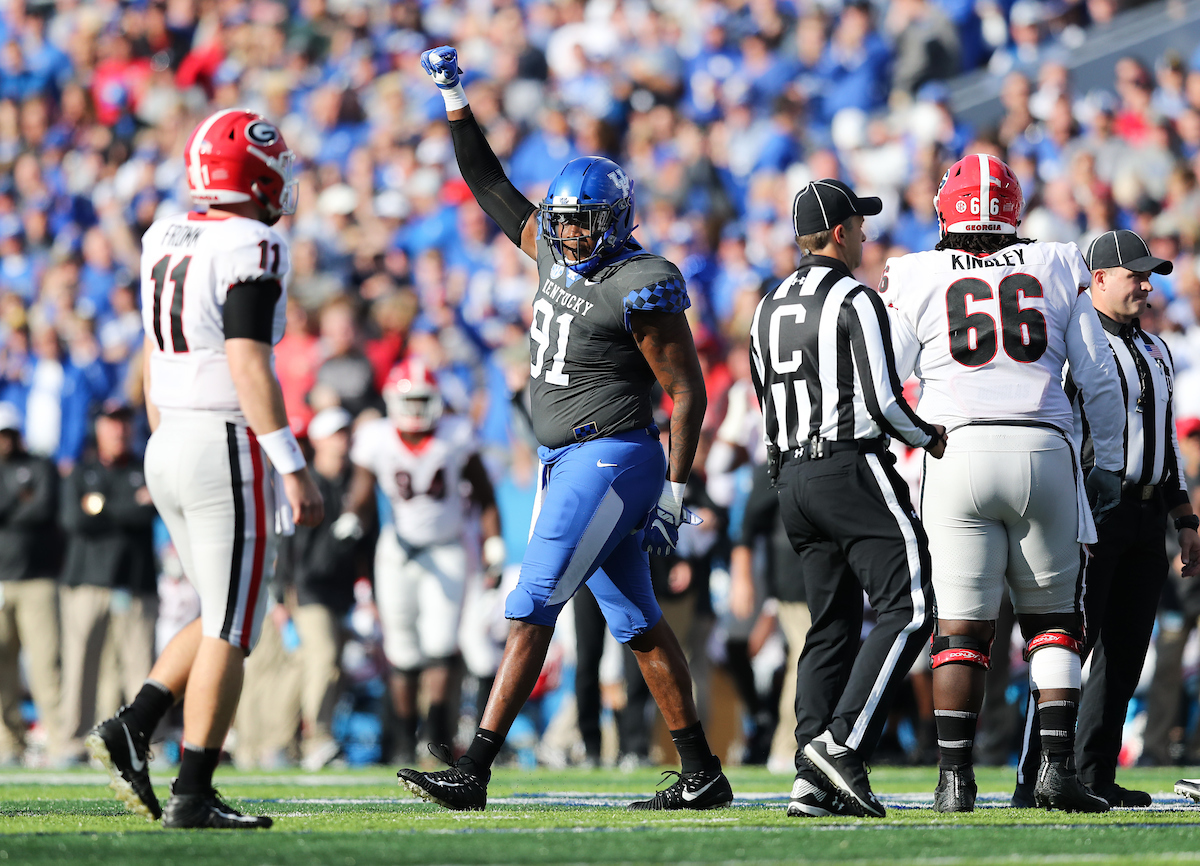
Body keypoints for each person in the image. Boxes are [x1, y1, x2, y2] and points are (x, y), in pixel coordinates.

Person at [401, 46, 731, 812]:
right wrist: (454, 97)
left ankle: (474, 769)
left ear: (615, 223)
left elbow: (688, 391)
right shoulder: (551, 253)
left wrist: (677, 492)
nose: (570, 237)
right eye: (563, 224)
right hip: (569, 458)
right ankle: (700, 772)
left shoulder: (640, 283)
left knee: (533, 602)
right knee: (639, 625)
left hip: (610, 457)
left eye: (583, 226)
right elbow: (486, 182)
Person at [85, 109, 324, 828]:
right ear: (254, 174)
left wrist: (166, 440)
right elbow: (249, 363)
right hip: (224, 438)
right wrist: (292, 463)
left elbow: (156, 355)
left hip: (171, 436)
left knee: (222, 606)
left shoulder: (164, 232)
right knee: (233, 626)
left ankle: (135, 722)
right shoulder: (253, 243)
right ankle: (192, 791)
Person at [882, 154, 1125, 812]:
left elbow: (886, 377)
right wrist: (1108, 461)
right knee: (1054, 627)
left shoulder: (915, 271)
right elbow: (1098, 376)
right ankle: (1055, 770)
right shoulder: (1056, 260)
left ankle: (954, 779)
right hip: (1042, 446)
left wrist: (910, 439)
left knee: (960, 629)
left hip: (954, 447)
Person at [749, 178, 944, 819]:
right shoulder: (854, 297)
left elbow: (761, 397)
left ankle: (811, 774)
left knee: (829, 625)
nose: (864, 234)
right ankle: (844, 742)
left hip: (789, 479)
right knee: (912, 606)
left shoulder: (768, 302)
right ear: (839, 231)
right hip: (846, 466)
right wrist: (930, 437)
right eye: (858, 225)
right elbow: (885, 400)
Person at [1011, 230, 1200, 807]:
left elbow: (1165, 441)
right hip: (1093, 511)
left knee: (1125, 651)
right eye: (1135, 274)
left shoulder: (1156, 348)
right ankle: (1036, 774)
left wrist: (1184, 517)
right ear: (1098, 279)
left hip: (1145, 516)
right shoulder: (1075, 345)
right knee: (1070, 645)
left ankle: (1093, 771)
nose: (1147, 284)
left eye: (1150, 276)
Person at [339, 359, 503, 763]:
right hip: (399, 549)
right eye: (407, 399)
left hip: (447, 548)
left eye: (421, 399)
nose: (414, 408)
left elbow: (484, 495)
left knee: (440, 646)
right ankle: (399, 741)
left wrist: (493, 541)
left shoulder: (455, 434)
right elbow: (360, 491)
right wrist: (350, 517)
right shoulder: (377, 437)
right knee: (402, 650)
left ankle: (437, 741)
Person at [59, 402, 158, 759]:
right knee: (79, 666)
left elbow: (148, 512)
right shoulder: (81, 471)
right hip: (87, 581)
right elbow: (73, 519)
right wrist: (127, 507)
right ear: (98, 427)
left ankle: (141, 743)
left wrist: (101, 506)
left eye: (124, 423)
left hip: (135, 583)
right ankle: (71, 741)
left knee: (140, 667)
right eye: (111, 423)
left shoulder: (145, 468)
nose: (119, 431)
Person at [275, 405, 369, 771]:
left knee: (331, 667)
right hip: (308, 587)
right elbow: (287, 543)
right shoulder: (306, 481)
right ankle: (315, 737)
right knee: (323, 659)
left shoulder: (355, 484)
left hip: (341, 589)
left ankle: (304, 740)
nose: (341, 442)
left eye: (345, 434)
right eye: (335, 434)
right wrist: (282, 593)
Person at [0, 401, 64, 765]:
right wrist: (18, 498)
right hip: (1, 579)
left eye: (8, 434)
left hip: (37, 579)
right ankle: (9, 742)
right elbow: (25, 505)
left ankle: (58, 740)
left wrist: (11, 507)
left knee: (45, 665)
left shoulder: (38, 464)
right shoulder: (22, 474)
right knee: (2, 664)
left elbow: (43, 507)